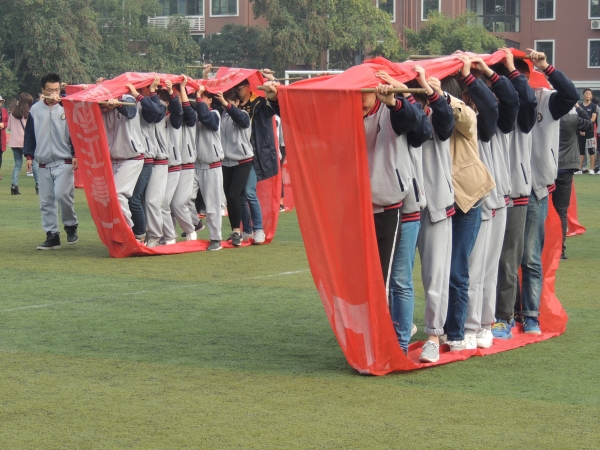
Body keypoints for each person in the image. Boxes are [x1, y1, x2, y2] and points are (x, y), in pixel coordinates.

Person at [512, 49, 578, 336]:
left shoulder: (546, 101)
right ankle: (505, 314)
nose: (520, 81)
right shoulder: (501, 102)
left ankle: (530, 316)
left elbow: (570, 94)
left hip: (536, 189)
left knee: (530, 257)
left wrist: (546, 67)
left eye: (524, 75)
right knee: (505, 258)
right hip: (506, 190)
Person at [378, 67, 441, 356]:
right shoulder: (362, 110)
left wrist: (398, 97)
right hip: (375, 205)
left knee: (400, 278)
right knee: (381, 279)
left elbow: (421, 131)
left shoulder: (405, 105)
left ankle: (401, 344)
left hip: (408, 204)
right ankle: (388, 335)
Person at [444, 54, 498, 352]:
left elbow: (468, 117)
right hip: (438, 200)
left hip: (466, 198)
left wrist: (445, 96)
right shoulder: (427, 114)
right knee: (439, 269)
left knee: (457, 269)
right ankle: (441, 328)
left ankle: (457, 331)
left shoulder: (465, 115)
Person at [464, 53, 519, 350]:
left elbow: (509, 99)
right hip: (470, 200)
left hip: (495, 199)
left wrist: (480, 73)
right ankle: (467, 324)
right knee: (469, 269)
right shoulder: (464, 115)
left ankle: (482, 323)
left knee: (485, 269)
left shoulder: (498, 116)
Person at [493, 55, 539, 340]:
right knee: (491, 259)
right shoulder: (489, 107)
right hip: (491, 192)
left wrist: (511, 70)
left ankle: (504, 317)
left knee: (509, 258)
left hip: (516, 192)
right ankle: (498, 313)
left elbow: (528, 101)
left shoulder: (524, 111)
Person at [23, 73, 79, 249]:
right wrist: (29, 156)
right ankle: (52, 235)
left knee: (63, 195)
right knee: (46, 201)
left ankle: (71, 225)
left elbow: (76, 132)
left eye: (57, 90)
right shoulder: (35, 109)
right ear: (43, 90)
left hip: (64, 160)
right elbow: (30, 134)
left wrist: (76, 154)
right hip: (43, 162)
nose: (54, 93)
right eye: (50, 90)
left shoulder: (66, 107)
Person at [235, 70, 280, 244]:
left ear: (247, 86)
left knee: (248, 192)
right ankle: (246, 230)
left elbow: (276, 105)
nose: (237, 90)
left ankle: (258, 229)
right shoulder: (233, 103)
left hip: (253, 154)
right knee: (239, 194)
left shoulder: (260, 103)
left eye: (239, 86)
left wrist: (272, 81)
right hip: (235, 154)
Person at [126, 76, 166, 243]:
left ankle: (144, 235)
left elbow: (156, 111)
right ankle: (141, 234)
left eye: (139, 88)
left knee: (144, 200)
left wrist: (142, 94)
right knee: (136, 199)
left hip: (148, 158)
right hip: (130, 157)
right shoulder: (130, 102)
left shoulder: (153, 105)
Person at [101, 92, 144, 231]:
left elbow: (130, 111)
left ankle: (127, 231)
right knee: (107, 198)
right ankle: (122, 232)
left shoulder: (127, 99)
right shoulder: (100, 104)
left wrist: (118, 104)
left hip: (131, 157)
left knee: (118, 194)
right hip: (111, 160)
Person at [145, 79, 180, 248]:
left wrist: (168, 93)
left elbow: (177, 111)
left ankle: (155, 235)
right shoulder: (144, 108)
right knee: (146, 200)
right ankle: (149, 234)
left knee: (155, 201)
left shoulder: (167, 115)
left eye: (158, 99)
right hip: (145, 159)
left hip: (160, 161)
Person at [554, 103, 590, 260]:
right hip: (566, 166)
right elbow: (588, 123)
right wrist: (578, 106)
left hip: (548, 166)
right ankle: (560, 250)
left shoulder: (548, 116)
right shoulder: (572, 118)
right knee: (561, 210)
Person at [218, 88, 253, 247]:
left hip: (242, 160)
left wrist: (227, 105)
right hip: (226, 161)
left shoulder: (243, 114)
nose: (226, 104)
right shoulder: (222, 115)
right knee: (230, 198)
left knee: (235, 196)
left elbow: (242, 120)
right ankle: (236, 230)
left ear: (237, 102)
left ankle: (239, 231)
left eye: (230, 101)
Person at [191, 86, 223, 251]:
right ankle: (195, 223)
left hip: (212, 165)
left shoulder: (214, 114)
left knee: (212, 206)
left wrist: (198, 100)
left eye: (203, 97)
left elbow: (205, 117)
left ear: (210, 100)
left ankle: (216, 238)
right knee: (181, 199)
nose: (198, 99)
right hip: (194, 165)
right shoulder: (194, 114)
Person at [8, 93, 34, 194]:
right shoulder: (29, 114)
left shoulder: (13, 113)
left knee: (17, 165)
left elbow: (9, 127)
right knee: (34, 164)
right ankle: (38, 185)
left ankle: (14, 186)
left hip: (14, 142)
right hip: (26, 142)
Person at [575, 88, 597, 174]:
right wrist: (581, 128)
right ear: (583, 95)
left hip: (590, 130)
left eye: (589, 94)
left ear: (591, 96)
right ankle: (580, 169)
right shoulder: (579, 106)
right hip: (580, 130)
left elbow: (593, 118)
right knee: (581, 150)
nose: (587, 95)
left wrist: (585, 125)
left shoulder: (593, 106)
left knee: (591, 150)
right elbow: (577, 118)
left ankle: (592, 168)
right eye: (586, 93)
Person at [0, 95, 7, 180]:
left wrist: (3, 125)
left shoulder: (4, 111)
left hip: (1, 136)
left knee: (0, 156)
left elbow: (7, 122)